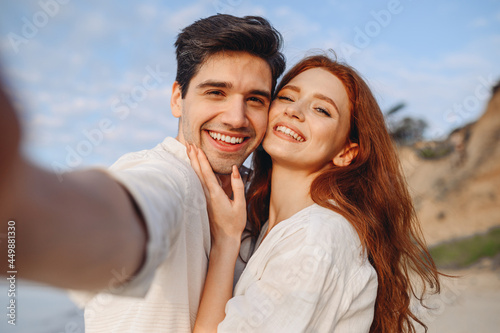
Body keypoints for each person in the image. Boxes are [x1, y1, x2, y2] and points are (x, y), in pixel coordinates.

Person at [0, 14, 285, 332]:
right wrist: (22, 209)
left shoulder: (257, 197)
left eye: (255, 100)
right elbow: (129, 211)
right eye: (216, 92)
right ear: (178, 99)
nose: (236, 118)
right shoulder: (168, 176)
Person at [187, 54, 441, 332]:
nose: (294, 111)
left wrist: (226, 241)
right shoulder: (268, 225)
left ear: (346, 152)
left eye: (322, 110)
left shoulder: (317, 238)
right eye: (286, 97)